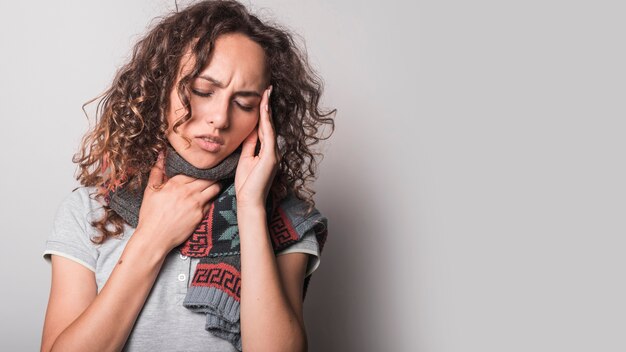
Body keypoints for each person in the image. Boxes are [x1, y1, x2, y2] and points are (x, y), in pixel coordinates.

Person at [40, 1, 336, 351]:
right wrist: (153, 237)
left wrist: (250, 208)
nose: (220, 118)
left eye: (244, 103)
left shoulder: (288, 218)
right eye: (202, 91)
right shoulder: (88, 211)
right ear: (160, 87)